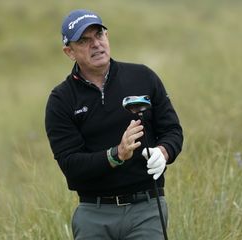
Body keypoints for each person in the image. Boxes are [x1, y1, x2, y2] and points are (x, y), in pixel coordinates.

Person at [45, 9, 183, 240]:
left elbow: (172, 130)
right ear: (69, 51)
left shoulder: (143, 77)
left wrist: (164, 151)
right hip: (94, 213)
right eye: (84, 40)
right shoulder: (61, 99)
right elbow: (70, 163)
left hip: (147, 207)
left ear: (107, 36)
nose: (96, 44)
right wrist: (116, 154)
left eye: (99, 35)